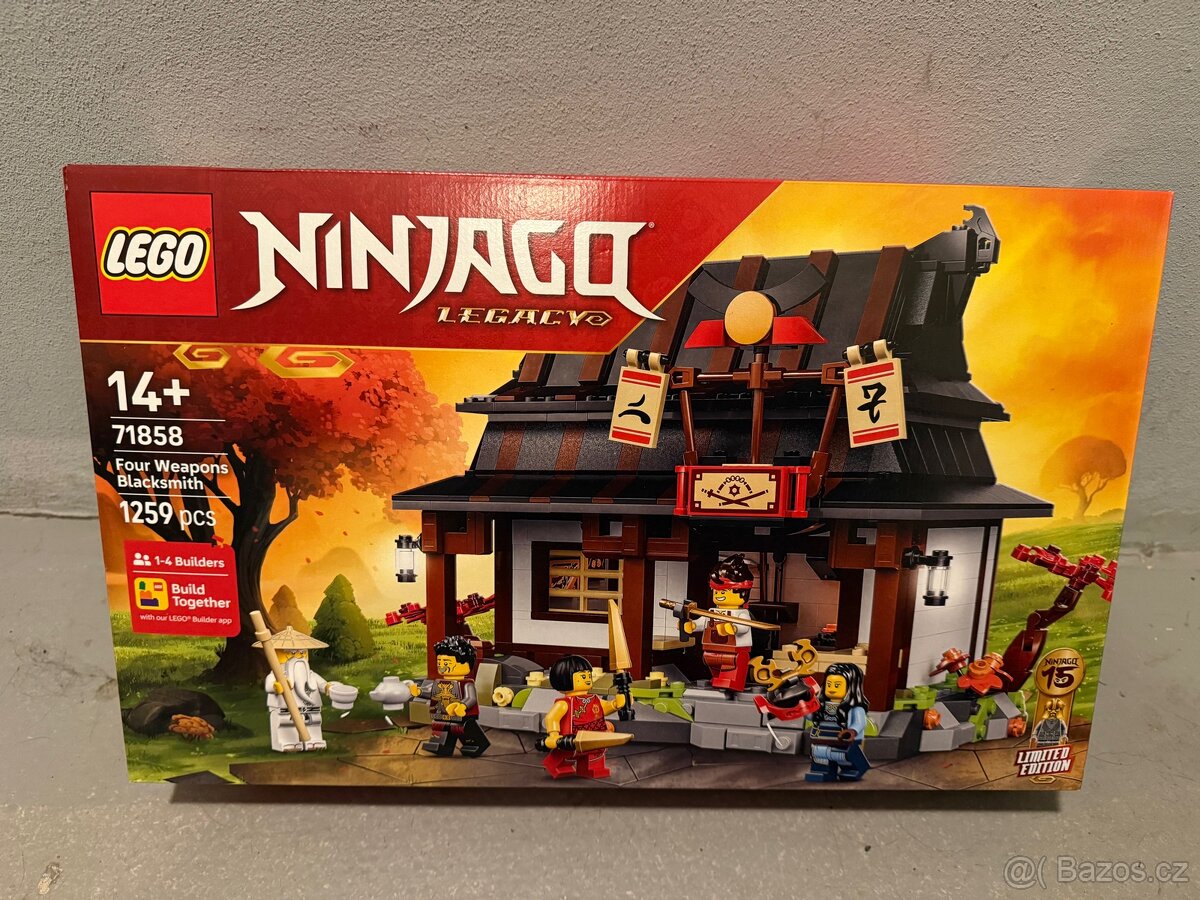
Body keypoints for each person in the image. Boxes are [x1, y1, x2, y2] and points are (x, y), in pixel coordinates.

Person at [257, 626, 357, 752]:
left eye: (302, 653)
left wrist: (328, 687)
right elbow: (269, 685)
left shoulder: (310, 674)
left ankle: (314, 740)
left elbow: (321, 683)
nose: (298, 657)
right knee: (285, 723)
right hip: (284, 707)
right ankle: (287, 742)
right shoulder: (277, 675)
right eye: (291, 653)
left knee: (314, 721)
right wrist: (276, 686)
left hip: (310, 705)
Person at [541, 654, 626, 779]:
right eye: (583, 676)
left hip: (594, 735)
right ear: (566, 679)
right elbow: (551, 718)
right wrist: (553, 735)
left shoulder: (593, 699)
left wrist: (616, 704)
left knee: (597, 751)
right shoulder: (564, 703)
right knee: (565, 753)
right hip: (571, 738)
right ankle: (556, 765)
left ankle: (592, 768)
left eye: (589, 675)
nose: (587, 678)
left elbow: (603, 708)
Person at [683, 554, 758, 694]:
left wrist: (733, 628)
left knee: (730, 671)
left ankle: (729, 683)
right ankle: (717, 681)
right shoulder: (713, 612)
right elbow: (704, 621)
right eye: (716, 591)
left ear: (742, 592)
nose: (719, 595)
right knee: (715, 671)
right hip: (712, 650)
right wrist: (693, 625)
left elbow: (744, 627)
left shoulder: (741, 614)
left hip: (735, 652)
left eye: (725, 591)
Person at [414, 635, 490, 758]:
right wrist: (419, 692)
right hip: (442, 714)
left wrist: (462, 705)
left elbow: (471, 698)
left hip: (462, 716)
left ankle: (475, 744)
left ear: (465, 664)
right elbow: (432, 693)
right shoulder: (440, 682)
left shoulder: (466, 683)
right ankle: (440, 745)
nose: (441, 666)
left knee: (463, 729)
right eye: (439, 662)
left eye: (446, 663)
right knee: (439, 727)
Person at [805, 662, 870, 782]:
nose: (832, 689)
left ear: (851, 686)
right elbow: (811, 717)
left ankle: (853, 769)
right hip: (822, 735)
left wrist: (852, 731)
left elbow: (860, 722)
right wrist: (803, 707)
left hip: (844, 737)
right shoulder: (821, 704)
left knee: (843, 756)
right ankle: (822, 771)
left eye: (837, 685)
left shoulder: (854, 708)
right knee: (819, 753)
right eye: (829, 684)